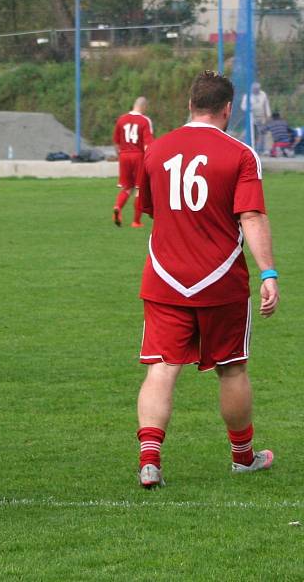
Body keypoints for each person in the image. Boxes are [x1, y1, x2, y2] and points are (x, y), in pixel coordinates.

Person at [135, 71, 280, 489]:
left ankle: (150, 459)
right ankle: (243, 457)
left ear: (190, 104)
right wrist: (268, 272)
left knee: (161, 369)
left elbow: (153, 209)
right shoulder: (240, 154)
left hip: (164, 277)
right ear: (228, 108)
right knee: (232, 369)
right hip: (220, 279)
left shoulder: (156, 149)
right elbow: (251, 216)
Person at [112, 96, 154, 228]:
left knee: (127, 187)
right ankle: (136, 221)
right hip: (138, 156)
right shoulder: (144, 120)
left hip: (124, 156)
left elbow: (116, 141)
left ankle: (117, 207)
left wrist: (119, 155)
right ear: (144, 107)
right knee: (139, 189)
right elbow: (148, 144)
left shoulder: (121, 119)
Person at [239, 82, 272, 154]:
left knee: (263, 132)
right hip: (251, 117)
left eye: (258, 89)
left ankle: (265, 150)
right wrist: (248, 109)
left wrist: (268, 115)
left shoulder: (263, 94)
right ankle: (239, 146)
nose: (256, 90)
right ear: (252, 89)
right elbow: (243, 106)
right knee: (247, 133)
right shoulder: (247, 95)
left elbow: (266, 105)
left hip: (261, 117)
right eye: (255, 89)